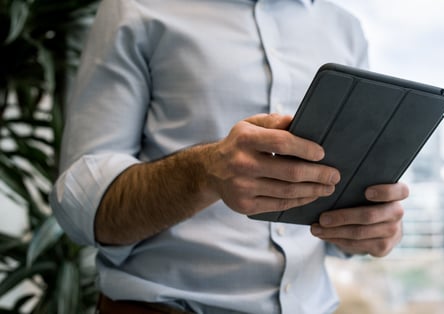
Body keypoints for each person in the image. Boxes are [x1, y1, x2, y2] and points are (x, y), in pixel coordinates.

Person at [50, 0, 409, 313]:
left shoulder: (345, 28)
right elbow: (83, 208)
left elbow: (342, 196)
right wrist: (205, 172)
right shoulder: (137, 7)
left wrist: (370, 223)